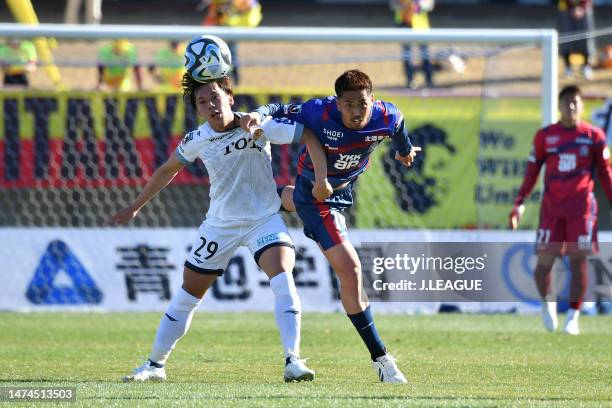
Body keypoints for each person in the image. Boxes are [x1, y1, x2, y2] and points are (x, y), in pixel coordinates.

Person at [111, 74, 332, 382]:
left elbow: (306, 134)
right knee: (188, 295)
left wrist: (317, 180)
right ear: (199, 111)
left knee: (283, 277)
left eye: (215, 97)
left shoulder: (257, 125)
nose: (211, 105)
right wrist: (135, 206)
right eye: (203, 102)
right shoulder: (196, 139)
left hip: (263, 219)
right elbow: (166, 170)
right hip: (220, 225)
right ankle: (154, 365)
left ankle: (292, 361)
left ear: (230, 98)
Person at [241, 69, 420, 383]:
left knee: (293, 202)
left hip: (340, 191)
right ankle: (381, 359)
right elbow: (276, 109)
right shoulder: (318, 111)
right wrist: (256, 115)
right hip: (316, 197)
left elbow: (400, 123)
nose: (355, 111)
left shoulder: (386, 116)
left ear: (372, 101)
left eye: (361, 104)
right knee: (351, 271)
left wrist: (405, 151)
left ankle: (267, 197)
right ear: (337, 104)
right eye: (348, 104)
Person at [510, 85, 612, 335]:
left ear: (582, 105)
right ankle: (548, 303)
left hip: (582, 210)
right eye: (567, 102)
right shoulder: (546, 136)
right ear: (560, 105)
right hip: (552, 210)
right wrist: (519, 203)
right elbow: (532, 172)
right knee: (543, 264)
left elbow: (606, 174)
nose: (572, 106)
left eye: (576, 102)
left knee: (579, 263)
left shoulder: (594, 136)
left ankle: (574, 317)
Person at [200, 0, 262, 85]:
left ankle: (232, 79)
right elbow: (212, 17)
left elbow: (248, 8)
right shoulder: (217, 5)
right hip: (229, 25)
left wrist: (231, 7)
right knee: (227, 52)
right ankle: (231, 78)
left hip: (238, 24)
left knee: (230, 53)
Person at [389, 0, 435, 89]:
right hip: (404, 23)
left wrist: (417, 5)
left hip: (421, 25)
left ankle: (429, 80)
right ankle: (410, 81)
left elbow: (429, 5)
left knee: (425, 52)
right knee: (407, 53)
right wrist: (405, 5)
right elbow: (393, 5)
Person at [558, 0, 595, 80]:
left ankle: (586, 66)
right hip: (565, 6)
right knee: (566, 36)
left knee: (586, 37)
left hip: (585, 7)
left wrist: (582, 6)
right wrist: (571, 6)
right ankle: (568, 68)